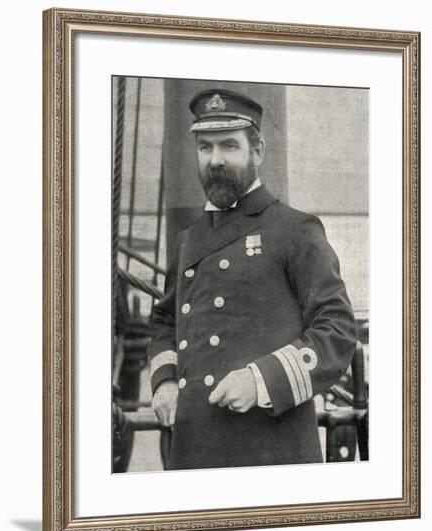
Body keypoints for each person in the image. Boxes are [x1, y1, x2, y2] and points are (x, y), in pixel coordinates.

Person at [148, 88, 357, 470]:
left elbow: (338, 330)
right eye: (205, 148)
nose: (215, 161)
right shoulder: (189, 239)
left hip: (271, 449)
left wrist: (261, 381)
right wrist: (163, 380)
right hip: (194, 447)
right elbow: (164, 320)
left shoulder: (296, 230)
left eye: (229, 146)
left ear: (257, 152)